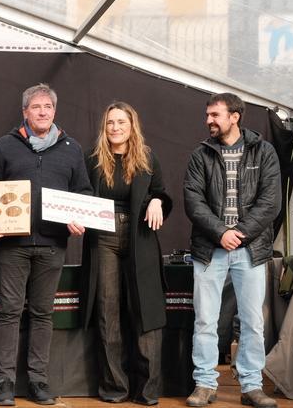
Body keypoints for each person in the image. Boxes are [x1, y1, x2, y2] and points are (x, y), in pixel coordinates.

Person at [0, 83, 91, 406]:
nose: (42, 112)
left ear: (54, 111)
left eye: (48, 107)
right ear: (24, 112)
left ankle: (38, 382)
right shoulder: (4, 146)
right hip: (12, 244)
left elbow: (83, 192)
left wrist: (79, 216)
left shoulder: (71, 148)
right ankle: (5, 382)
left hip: (53, 244)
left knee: (43, 314)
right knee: (9, 312)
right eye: (36, 107)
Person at [183, 93, 281, 408]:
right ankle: (205, 384)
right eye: (208, 115)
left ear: (235, 116)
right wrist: (220, 232)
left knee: (253, 321)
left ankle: (252, 386)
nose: (209, 120)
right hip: (210, 249)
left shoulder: (264, 152)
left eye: (215, 115)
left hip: (250, 248)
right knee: (205, 319)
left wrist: (239, 233)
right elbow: (193, 200)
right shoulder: (201, 154)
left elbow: (271, 202)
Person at [80, 102, 171, 405]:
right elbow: (79, 196)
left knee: (144, 311)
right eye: (110, 123)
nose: (115, 127)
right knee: (108, 313)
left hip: (139, 236)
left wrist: (157, 200)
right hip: (102, 236)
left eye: (121, 122)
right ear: (104, 128)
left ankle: (147, 391)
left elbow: (160, 191)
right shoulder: (92, 159)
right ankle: (114, 388)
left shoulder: (148, 159)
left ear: (133, 126)